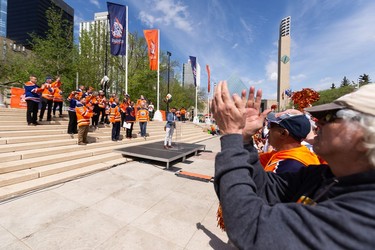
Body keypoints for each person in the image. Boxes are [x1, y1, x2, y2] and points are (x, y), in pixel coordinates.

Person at [212, 81, 375, 249]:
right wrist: (244, 139)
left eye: (330, 116)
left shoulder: (365, 217)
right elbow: (266, 189)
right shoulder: (324, 176)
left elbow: (251, 227)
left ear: (366, 133)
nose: (317, 123)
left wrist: (231, 136)